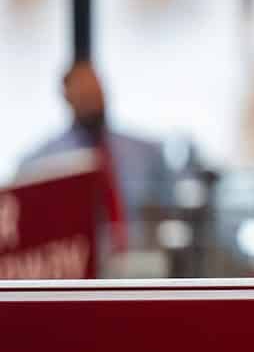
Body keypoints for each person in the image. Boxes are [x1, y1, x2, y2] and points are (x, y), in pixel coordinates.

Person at [21, 62, 171, 253]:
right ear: (67, 98)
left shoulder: (145, 153)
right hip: (75, 265)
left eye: (95, 92)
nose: (91, 100)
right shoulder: (40, 164)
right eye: (83, 94)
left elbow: (170, 209)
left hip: (140, 261)